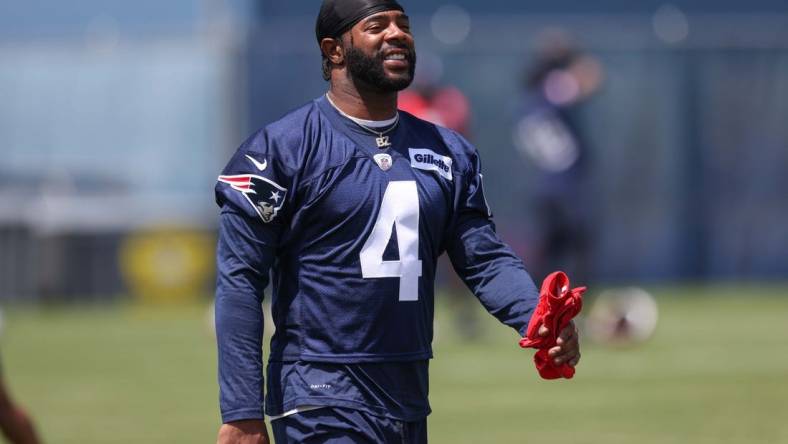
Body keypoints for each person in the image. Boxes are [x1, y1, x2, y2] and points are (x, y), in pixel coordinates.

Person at [214, 1, 581, 443]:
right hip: (321, 396)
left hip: (407, 398)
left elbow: (483, 258)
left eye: (403, 24)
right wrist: (241, 412)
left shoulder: (448, 152)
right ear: (334, 51)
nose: (397, 34)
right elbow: (240, 281)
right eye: (377, 25)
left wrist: (538, 320)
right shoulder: (281, 150)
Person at [512, 32, 604, 285]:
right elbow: (589, 80)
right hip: (564, 185)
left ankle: (541, 301)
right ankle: (570, 300)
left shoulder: (531, 99)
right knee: (577, 243)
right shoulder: (554, 85)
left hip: (546, 186)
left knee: (553, 248)